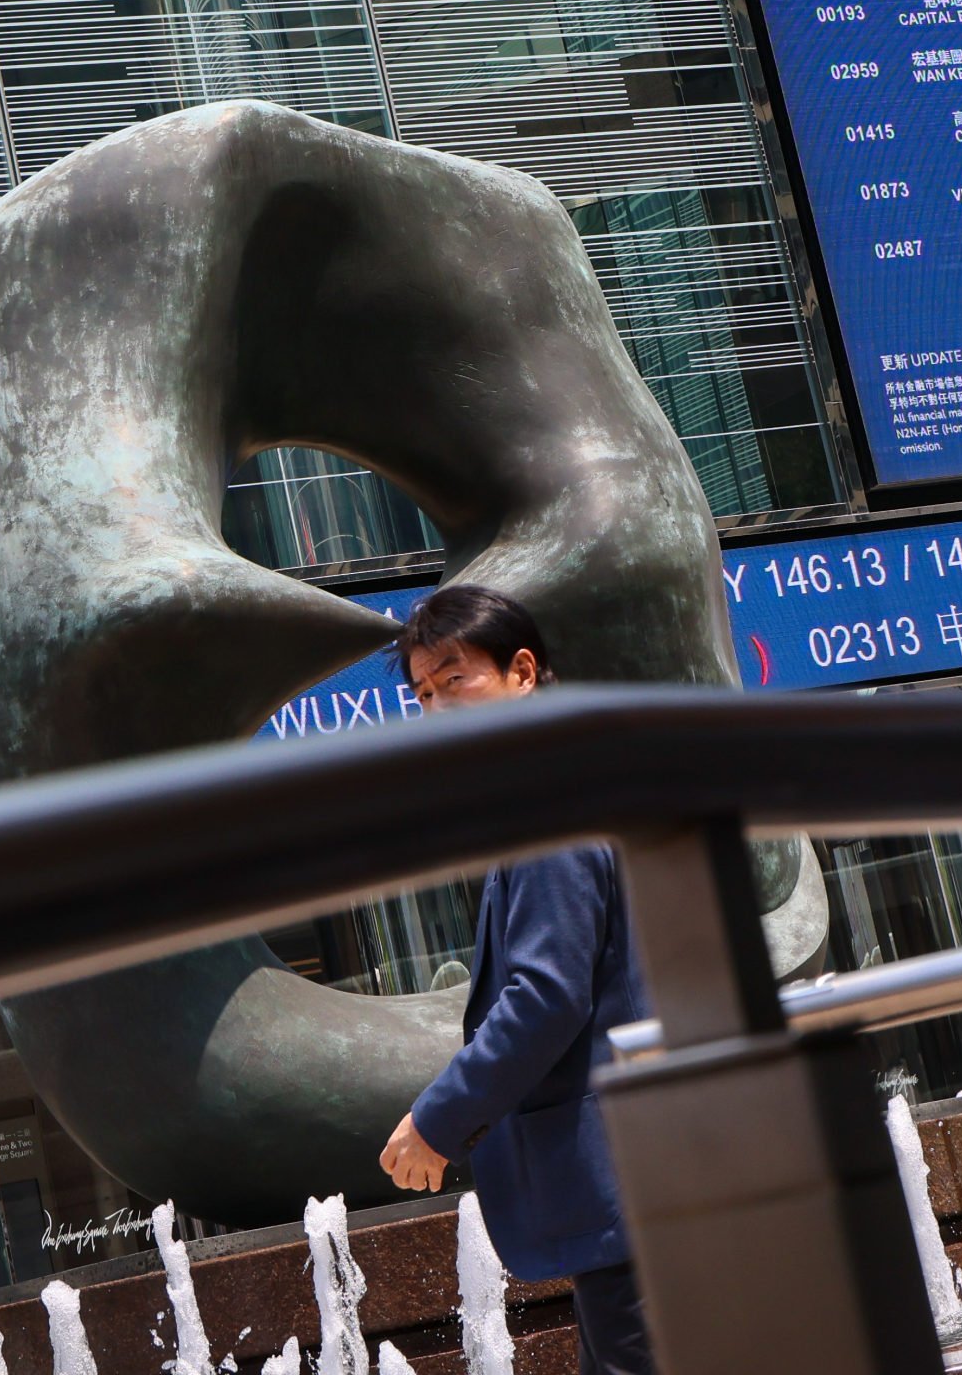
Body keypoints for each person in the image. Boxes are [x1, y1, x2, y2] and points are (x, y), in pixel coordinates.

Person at [374, 586, 660, 1375]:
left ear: (522, 671)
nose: (436, 707)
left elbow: (545, 996)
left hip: (632, 1192)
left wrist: (437, 1119)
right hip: (640, 1189)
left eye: (453, 679)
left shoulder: (551, 803)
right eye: (422, 694)